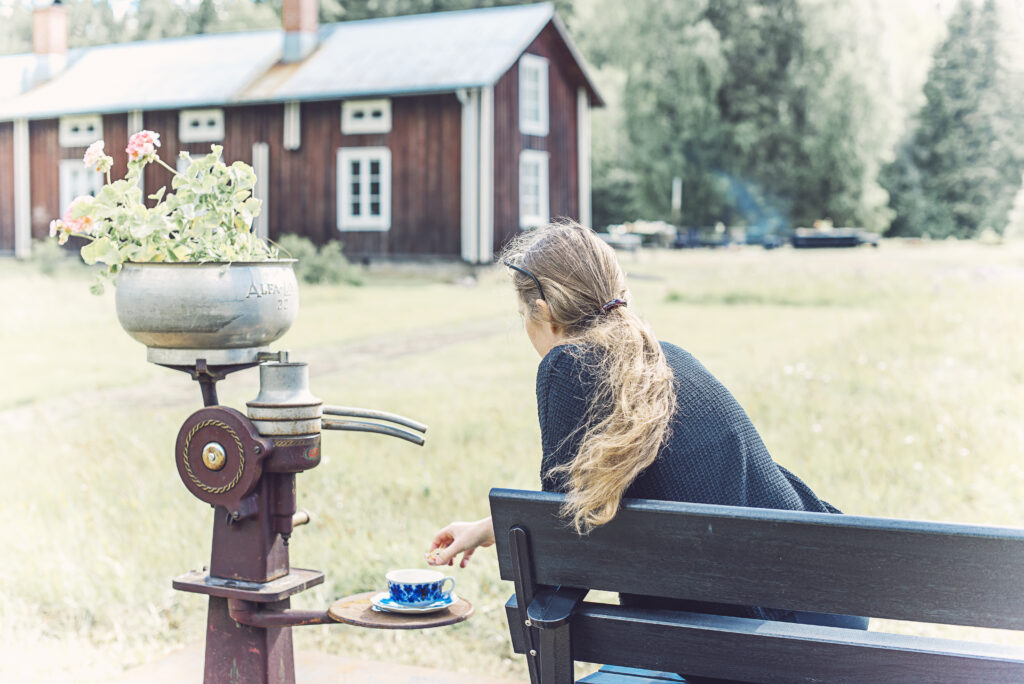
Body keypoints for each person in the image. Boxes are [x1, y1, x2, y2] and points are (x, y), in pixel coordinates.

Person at [426, 220, 867, 630]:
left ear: (545, 312)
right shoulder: (664, 357)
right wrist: (488, 528)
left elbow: (560, 545)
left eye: (523, 315)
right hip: (826, 609)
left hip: (757, 638)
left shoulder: (568, 364)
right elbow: (578, 500)